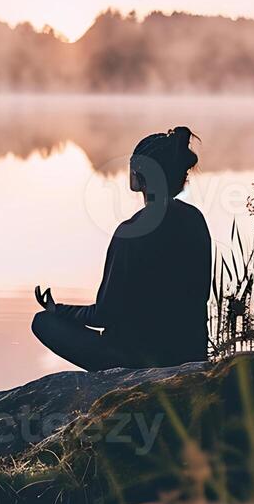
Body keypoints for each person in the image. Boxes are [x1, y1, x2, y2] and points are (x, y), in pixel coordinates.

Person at [31, 127, 211, 371]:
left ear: (138, 175)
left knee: (43, 322)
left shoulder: (132, 231)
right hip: (189, 353)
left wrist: (59, 310)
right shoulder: (195, 220)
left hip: (135, 361)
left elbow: (104, 314)